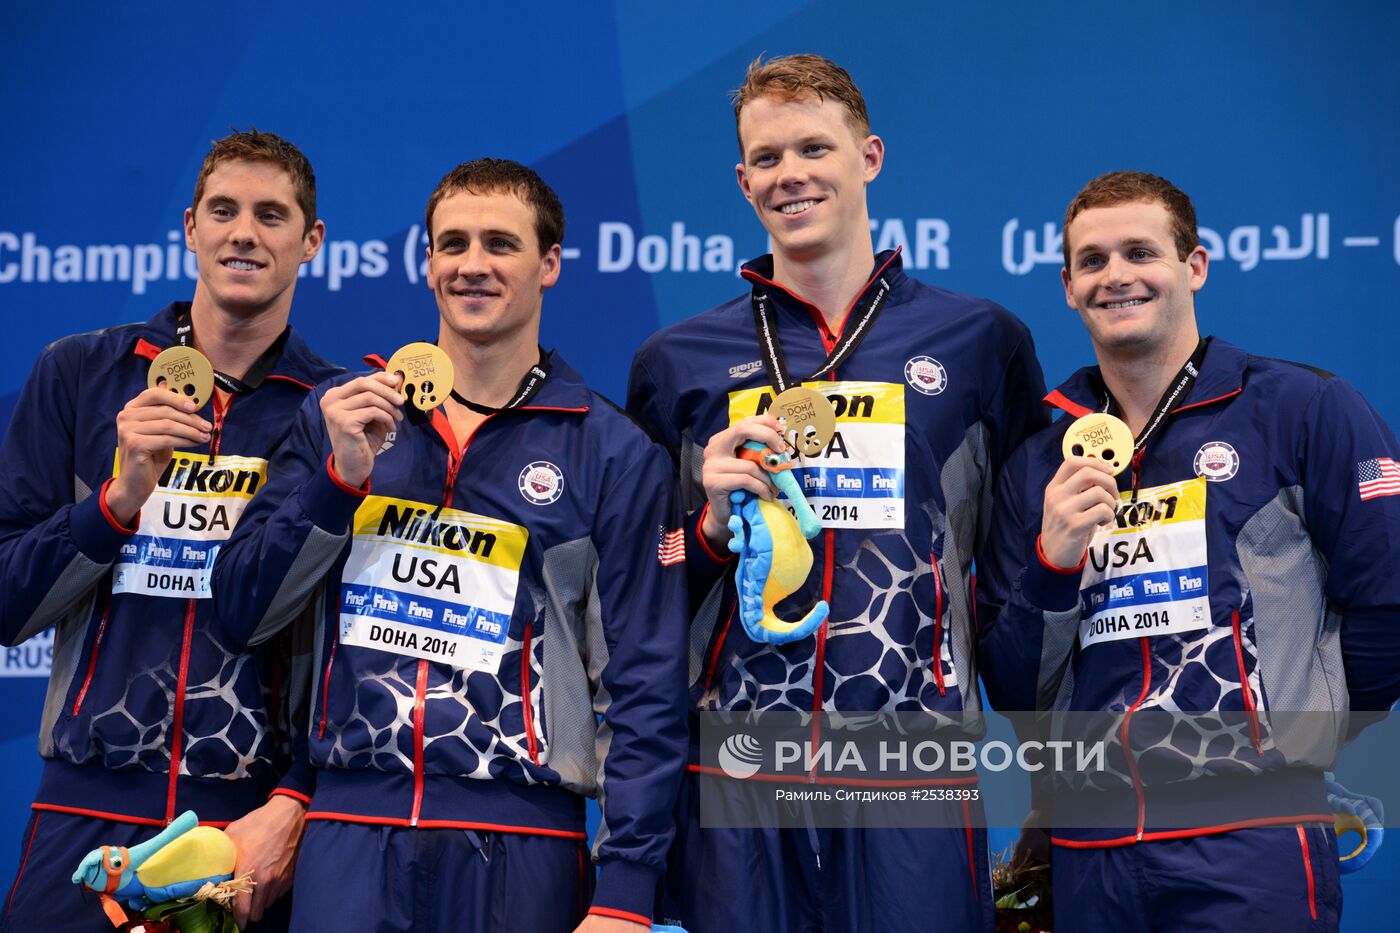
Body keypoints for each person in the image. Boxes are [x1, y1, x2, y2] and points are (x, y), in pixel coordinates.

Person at [627, 54, 1048, 932]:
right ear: (743, 182)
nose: (792, 175)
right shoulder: (677, 362)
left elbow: (1015, 571)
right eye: (768, 158)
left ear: (870, 155)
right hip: (739, 761)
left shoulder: (981, 341)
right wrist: (703, 528)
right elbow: (641, 581)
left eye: (814, 147)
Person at [212, 158, 689, 932]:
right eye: (453, 243)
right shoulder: (340, 418)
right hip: (349, 840)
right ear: (427, 263)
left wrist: (626, 892)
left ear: (550, 265)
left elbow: (645, 685)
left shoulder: (614, 452)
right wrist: (338, 481)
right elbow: (241, 613)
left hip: (522, 843)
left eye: (500, 243)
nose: (472, 264)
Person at [977, 170, 1400, 932]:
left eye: (1141, 252)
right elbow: (1013, 685)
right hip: (1089, 846)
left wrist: (1309, 730)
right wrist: (1054, 561)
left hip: (1252, 842)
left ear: (1194, 265)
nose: (1117, 276)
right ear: (1068, 286)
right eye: (1094, 261)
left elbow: (1391, 600)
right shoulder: (1037, 456)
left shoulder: (1301, 408)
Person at [0, 130, 341, 932]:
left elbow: (349, 649)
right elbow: (7, 602)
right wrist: (117, 500)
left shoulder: (331, 413)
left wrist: (293, 798)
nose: (243, 234)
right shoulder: (81, 374)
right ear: (191, 227)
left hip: (242, 832)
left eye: (271, 215)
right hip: (88, 807)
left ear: (311, 242)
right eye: (223, 211)